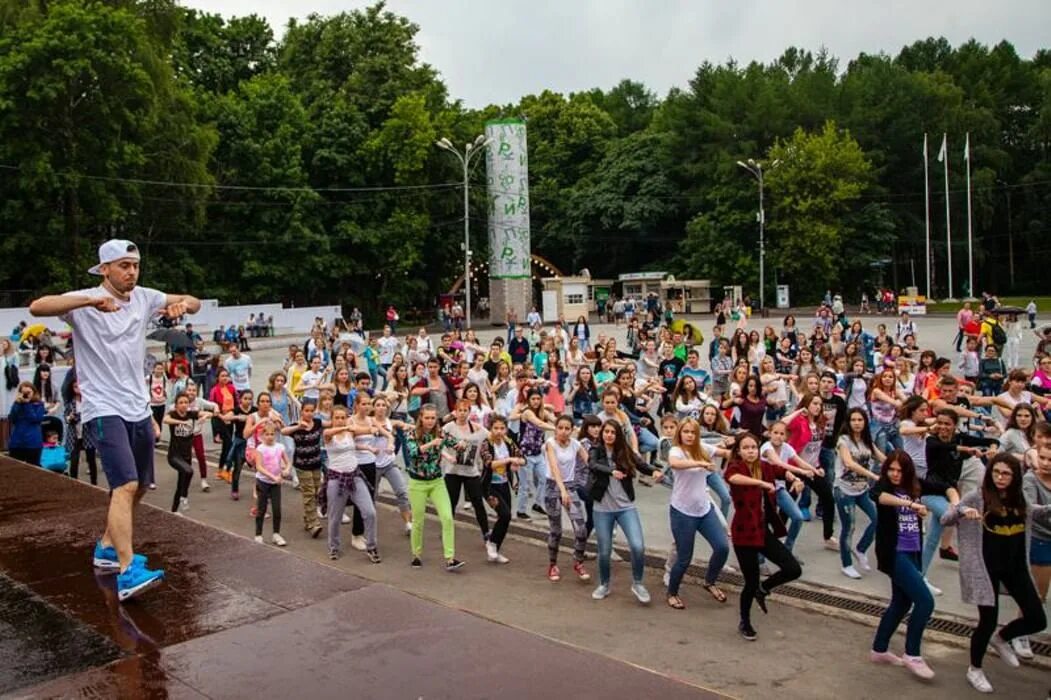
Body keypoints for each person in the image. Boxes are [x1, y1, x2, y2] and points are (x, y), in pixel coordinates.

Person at [29, 238, 200, 601]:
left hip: (137, 405)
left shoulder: (145, 297)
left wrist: (184, 304)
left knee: (139, 487)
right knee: (123, 484)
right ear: (105, 269)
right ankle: (127, 571)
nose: (131, 273)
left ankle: (107, 546)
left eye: (135, 266)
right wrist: (90, 300)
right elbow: (37, 306)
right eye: (124, 266)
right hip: (103, 407)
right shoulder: (84, 300)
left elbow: (193, 300)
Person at [941, 454, 1049, 693]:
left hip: (1016, 567)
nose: (1000, 478)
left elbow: (1036, 513)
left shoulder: (1019, 499)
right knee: (987, 621)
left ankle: (1002, 638)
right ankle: (975, 669)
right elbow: (945, 518)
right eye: (996, 472)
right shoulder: (978, 497)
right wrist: (963, 511)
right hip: (985, 569)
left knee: (1037, 618)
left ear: (1015, 477)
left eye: (1006, 474)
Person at [869, 451, 956, 680]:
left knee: (901, 602)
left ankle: (879, 649)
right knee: (926, 601)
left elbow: (946, 487)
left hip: (912, 551)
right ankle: (912, 654)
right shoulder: (884, 486)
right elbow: (880, 497)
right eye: (891, 469)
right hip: (893, 553)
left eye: (900, 470)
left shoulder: (917, 484)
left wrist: (955, 504)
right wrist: (910, 504)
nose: (895, 474)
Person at [725, 432, 802, 641]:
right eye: (746, 447)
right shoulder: (736, 467)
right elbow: (732, 478)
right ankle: (745, 621)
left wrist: (794, 477)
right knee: (750, 581)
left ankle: (764, 588)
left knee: (793, 569)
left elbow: (781, 470)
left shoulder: (765, 467)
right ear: (739, 451)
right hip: (743, 533)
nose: (751, 451)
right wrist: (760, 484)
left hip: (762, 530)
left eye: (754, 447)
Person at [665, 418, 730, 610]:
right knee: (684, 557)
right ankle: (672, 591)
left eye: (693, 432)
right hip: (682, 511)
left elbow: (725, 452)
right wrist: (701, 463)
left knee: (722, 547)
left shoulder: (703, 447)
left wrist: (739, 447)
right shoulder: (675, 450)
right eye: (686, 432)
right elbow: (675, 464)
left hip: (704, 509)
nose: (689, 436)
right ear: (680, 433)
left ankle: (710, 581)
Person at [587, 419, 654, 604]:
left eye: (613, 432)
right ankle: (604, 584)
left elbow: (641, 465)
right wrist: (611, 471)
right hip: (602, 509)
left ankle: (638, 583)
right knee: (604, 550)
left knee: (638, 546)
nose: (609, 435)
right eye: (606, 431)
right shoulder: (595, 450)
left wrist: (654, 471)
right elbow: (592, 465)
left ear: (618, 435)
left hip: (625, 507)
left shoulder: (624, 452)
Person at [404, 404, 463, 571]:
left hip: (437, 481)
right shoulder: (412, 434)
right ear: (421, 418)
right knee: (418, 521)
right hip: (417, 483)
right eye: (427, 418)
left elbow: (453, 442)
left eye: (433, 418)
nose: (430, 421)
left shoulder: (441, 432)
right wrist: (432, 444)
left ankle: (450, 558)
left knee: (447, 517)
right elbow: (413, 452)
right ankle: (416, 555)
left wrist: (461, 445)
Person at [322, 405, 380, 562]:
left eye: (343, 417)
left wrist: (376, 429)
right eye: (337, 418)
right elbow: (328, 432)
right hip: (336, 479)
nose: (340, 421)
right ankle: (334, 547)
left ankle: (372, 547)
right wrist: (347, 426)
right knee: (335, 516)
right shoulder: (329, 434)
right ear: (332, 419)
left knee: (370, 512)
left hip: (354, 476)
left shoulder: (350, 432)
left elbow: (368, 429)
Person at [835, 408, 885, 579]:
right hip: (844, 490)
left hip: (861, 490)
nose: (857, 423)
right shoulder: (843, 440)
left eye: (860, 420)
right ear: (848, 422)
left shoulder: (867, 441)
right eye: (853, 420)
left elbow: (883, 458)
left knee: (879, 519)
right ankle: (846, 564)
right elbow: (848, 463)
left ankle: (860, 549)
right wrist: (873, 475)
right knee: (849, 527)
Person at [543, 415, 592, 583]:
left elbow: (589, 462)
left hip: (570, 487)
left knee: (581, 529)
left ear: (572, 430)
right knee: (556, 530)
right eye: (560, 428)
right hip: (552, 487)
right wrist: (562, 490)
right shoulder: (550, 444)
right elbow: (554, 467)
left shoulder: (576, 444)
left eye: (567, 428)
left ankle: (578, 561)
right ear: (555, 428)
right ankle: (552, 564)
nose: (563, 432)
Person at [479, 415, 520, 564]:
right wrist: (509, 460)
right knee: (505, 514)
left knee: (506, 518)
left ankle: (495, 548)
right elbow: (489, 463)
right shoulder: (486, 443)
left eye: (502, 428)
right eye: (495, 428)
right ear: (490, 429)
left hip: (504, 484)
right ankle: (491, 542)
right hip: (489, 486)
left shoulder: (508, 442)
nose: (499, 431)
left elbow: (522, 457)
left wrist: (517, 463)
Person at [163, 393, 212, 514]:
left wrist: (204, 416)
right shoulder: (173, 414)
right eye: (181, 403)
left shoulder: (191, 414)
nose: (184, 405)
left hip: (186, 456)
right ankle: (184, 497)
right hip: (174, 456)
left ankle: (174, 510)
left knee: (181, 483)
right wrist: (182, 423)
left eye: (186, 402)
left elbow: (210, 413)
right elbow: (165, 419)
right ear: (176, 405)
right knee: (189, 471)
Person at [251, 424, 290, 546]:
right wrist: (273, 477)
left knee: (277, 509)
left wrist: (286, 470)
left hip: (275, 483)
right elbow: (259, 467)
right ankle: (258, 534)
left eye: (272, 434)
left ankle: (276, 534)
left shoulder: (280, 447)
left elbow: (287, 462)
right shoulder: (260, 449)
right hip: (263, 482)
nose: (269, 437)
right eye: (266, 434)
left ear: (276, 435)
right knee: (261, 509)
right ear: (262, 436)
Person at [8, 381, 45, 465]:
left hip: (33, 443)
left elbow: (35, 419)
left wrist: (27, 404)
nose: (26, 395)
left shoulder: (39, 405)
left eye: (28, 392)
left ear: (34, 392)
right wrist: (17, 403)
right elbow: (12, 418)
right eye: (23, 392)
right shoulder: (17, 404)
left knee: (33, 470)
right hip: (17, 443)